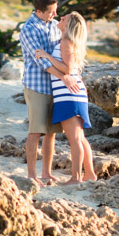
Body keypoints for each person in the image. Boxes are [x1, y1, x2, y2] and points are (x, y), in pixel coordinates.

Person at [18, 0, 79, 185]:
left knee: (51, 132)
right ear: (39, 11)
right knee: (35, 132)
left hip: (55, 87)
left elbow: (63, 53)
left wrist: (66, 76)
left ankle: (46, 172)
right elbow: (41, 61)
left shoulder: (54, 26)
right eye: (51, 12)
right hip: (36, 86)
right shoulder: (28, 30)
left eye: (55, 11)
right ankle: (31, 174)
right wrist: (65, 77)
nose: (54, 15)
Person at [35, 11, 97, 184]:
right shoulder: (68, 42)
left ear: (69, 26)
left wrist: (47, 56)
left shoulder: (66, 41)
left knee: (75, 139)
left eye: (64, 19)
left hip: (68, 94)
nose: (60, 19)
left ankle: (76, 177)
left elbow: (67, 69)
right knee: (80, 137)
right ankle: (90, 174)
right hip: (73, 93)